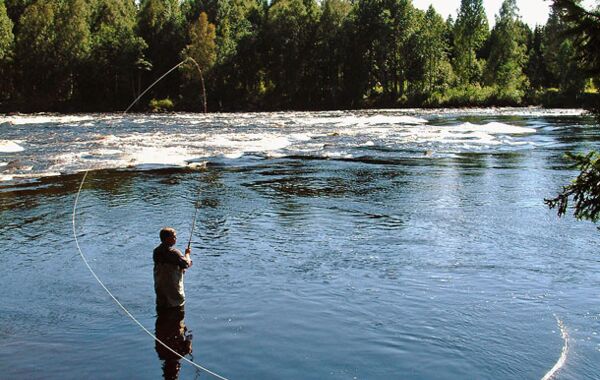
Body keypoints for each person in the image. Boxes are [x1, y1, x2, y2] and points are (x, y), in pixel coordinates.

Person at [153, 227, 192, 309]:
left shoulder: (156, 251)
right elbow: (186, 264)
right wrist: (187, 254)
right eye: (174, 237)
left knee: (162, 313)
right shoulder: (174, 253)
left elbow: (169, 264)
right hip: (173, 295)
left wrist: (180, 268)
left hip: (160, 292)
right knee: (178, 314)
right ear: (167, 239)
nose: (176, 238)